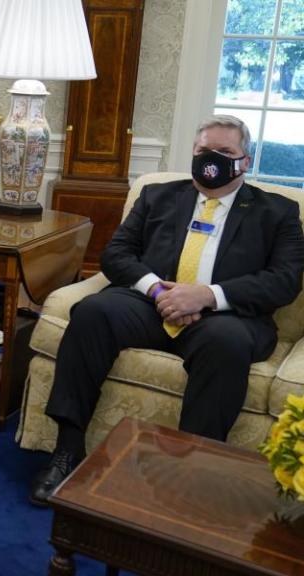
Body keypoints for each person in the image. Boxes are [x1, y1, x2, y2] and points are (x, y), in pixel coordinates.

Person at [29, 114, 304, 506]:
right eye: (203, 151)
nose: (212, 159)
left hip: (226, 318)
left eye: (225, 152)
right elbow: (116, 255)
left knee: (225, 345)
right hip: (150, 304)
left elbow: (283, 280)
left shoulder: (277, 212)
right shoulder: (159, 195)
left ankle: (188, 476)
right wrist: (158, 290)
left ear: (246, 161)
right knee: (92, 312)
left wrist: (206, 296)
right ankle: (67, 452)